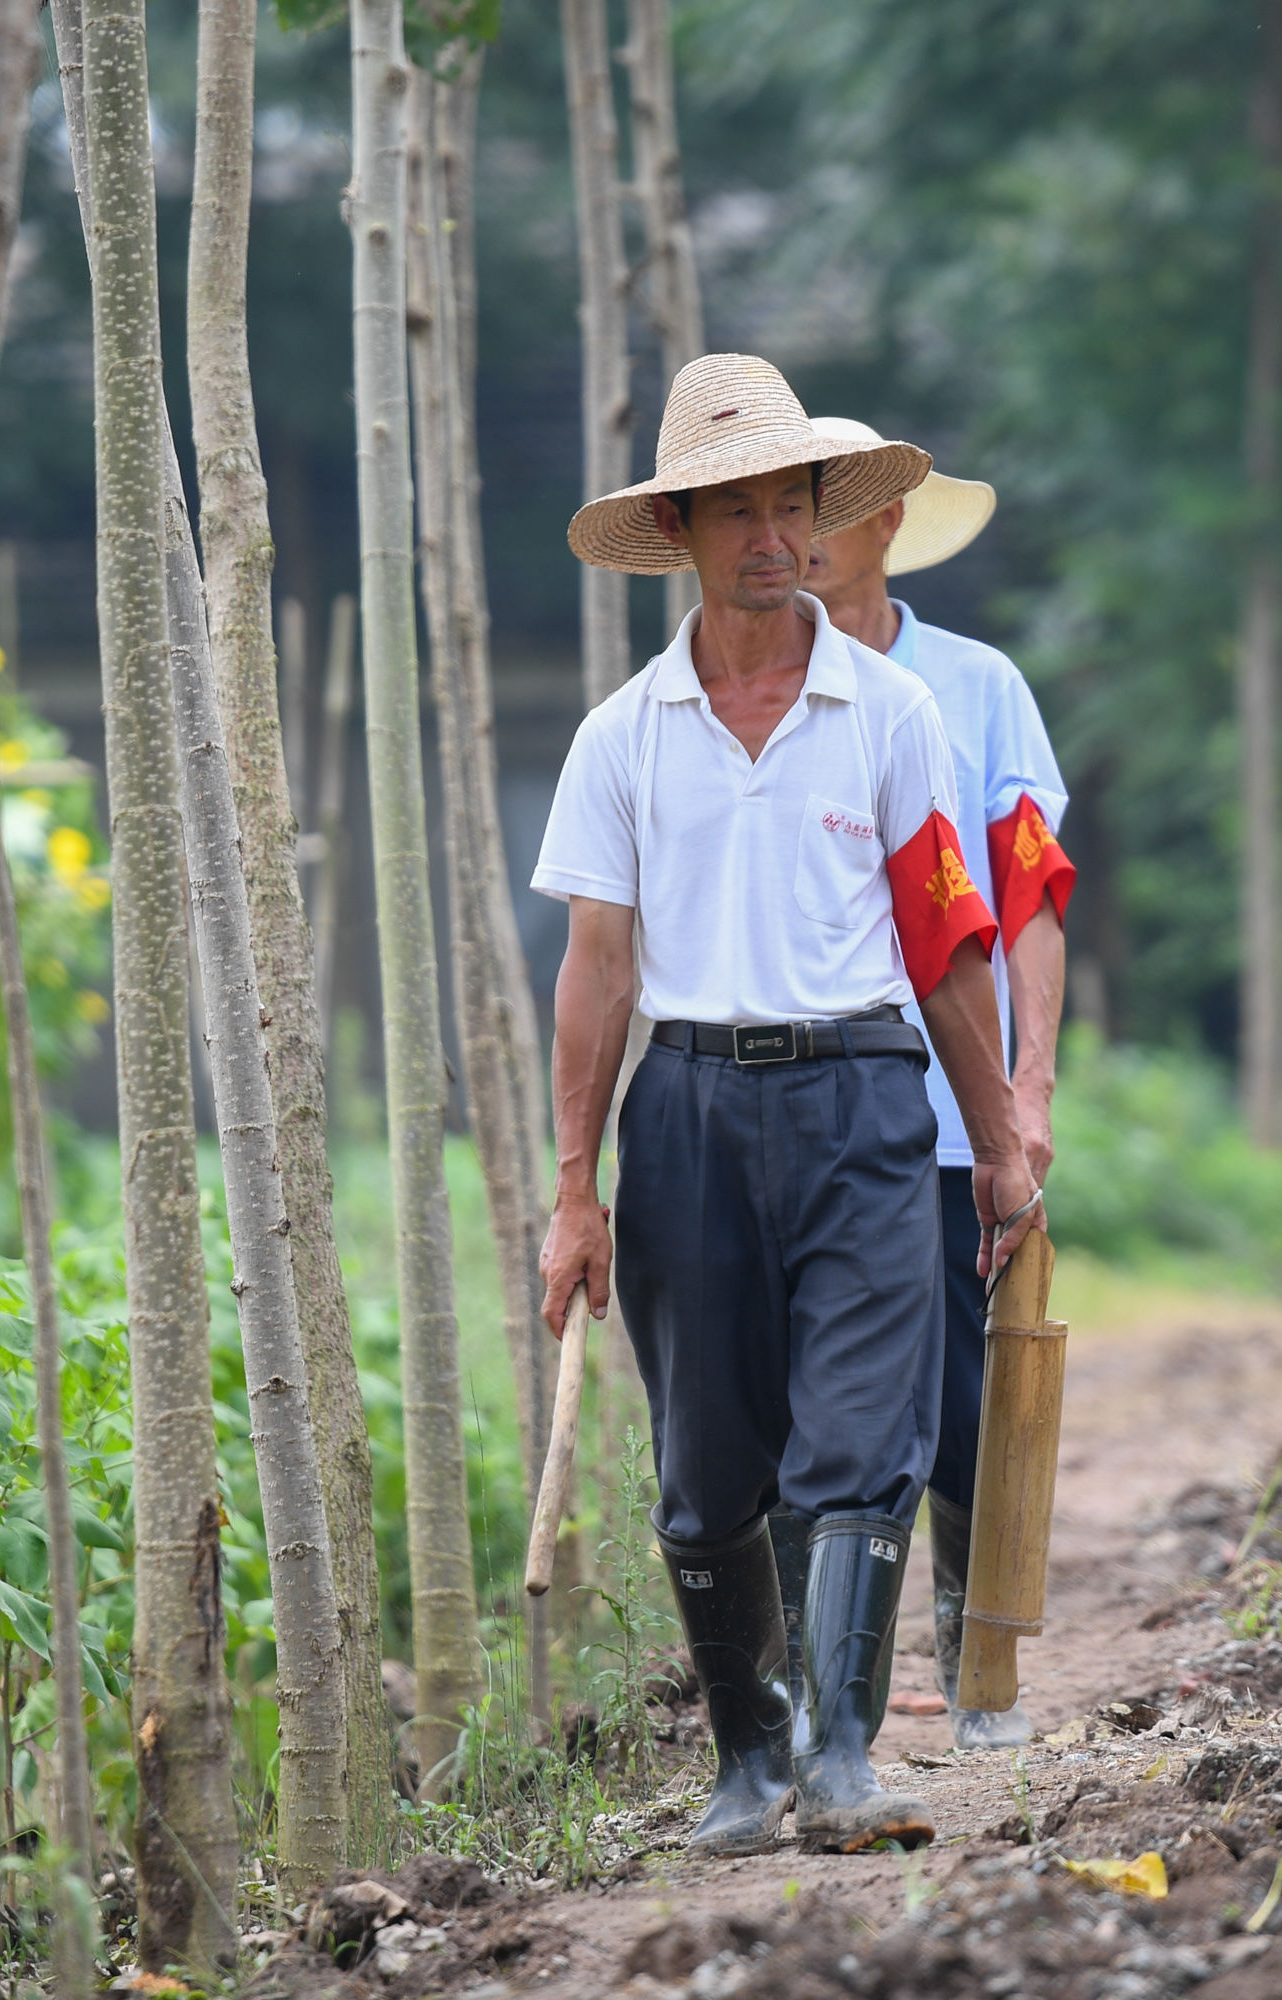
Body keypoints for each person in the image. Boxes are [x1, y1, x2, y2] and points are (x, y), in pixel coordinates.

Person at [534, 354, 1043, 1857]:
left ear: (820, 522)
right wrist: (577, 1188)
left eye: (789, 506)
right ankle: (745, 1764)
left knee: (858, 1446)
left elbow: (950, 946)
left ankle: (840, 1758)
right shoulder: (621, 736)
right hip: (686, 1117)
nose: (770, 535)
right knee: (703, 1472)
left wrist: (1001, 1141)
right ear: (680, 534)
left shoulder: (890, 715)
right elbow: (596, 973)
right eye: (736, 510)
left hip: (868, 1101)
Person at [778, 417, 1075, 1754]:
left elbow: (1030, 905)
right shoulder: (751, 689)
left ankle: (971, 1654)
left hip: (956, 1112)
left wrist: (1029, 1089)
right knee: (820, 1398)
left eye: (821, 510)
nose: (791, 537)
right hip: (804, 1105)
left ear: (890, 525)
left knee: (961, 1395)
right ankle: (815, 1690)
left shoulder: (980, 691)